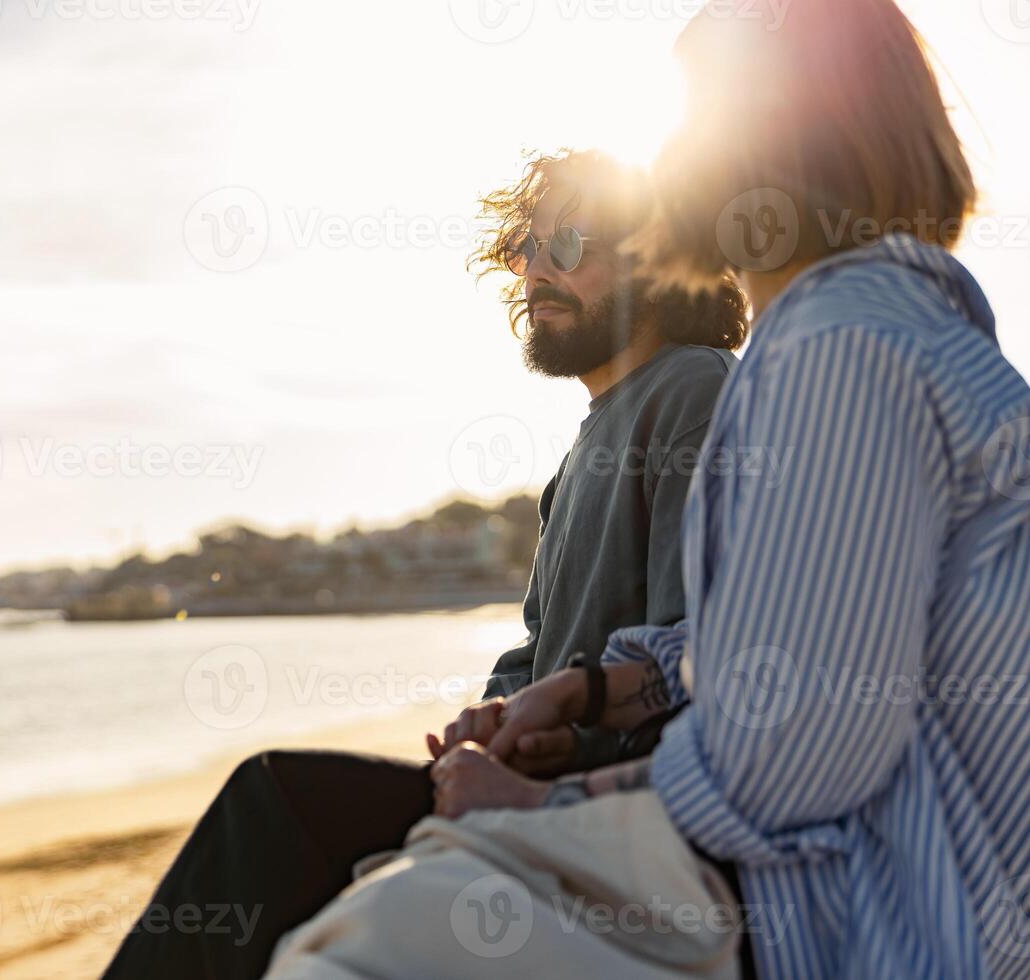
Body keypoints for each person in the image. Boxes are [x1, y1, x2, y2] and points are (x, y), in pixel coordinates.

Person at [264, 1, 1030, 977]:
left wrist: (545, 805)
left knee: (360, 942)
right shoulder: (879, 336)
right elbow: (776, 650)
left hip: (864, 921)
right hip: (847, 886)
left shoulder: (839, 348)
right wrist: (590, 684)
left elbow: (793, 759)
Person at [100, 149, 751, 979]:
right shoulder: (581, 454)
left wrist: (543, 760)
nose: (537, 273)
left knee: (272, 805)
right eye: (528, 248)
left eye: (572, 245)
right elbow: (530, 657)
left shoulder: (690, 392)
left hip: (602, 820)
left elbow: (689, 657)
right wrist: (486, 723)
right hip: (526, 782)